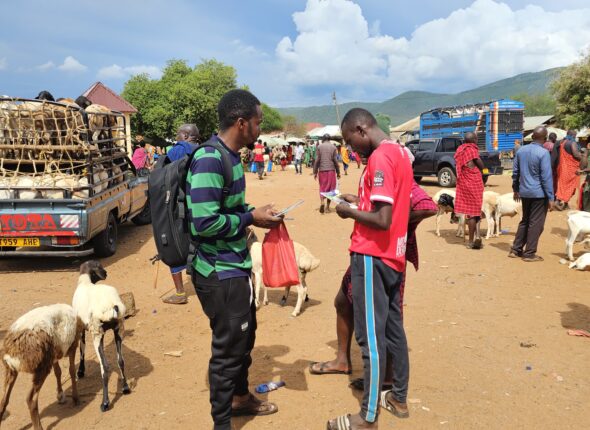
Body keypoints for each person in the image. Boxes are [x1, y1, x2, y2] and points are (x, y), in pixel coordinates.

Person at [187, 89, 282, 429]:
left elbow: (229, 208)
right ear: (242, 123)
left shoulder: (231, 157)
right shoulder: (210, 159)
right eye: (258, 121)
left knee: (244, 337)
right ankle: (222, 423)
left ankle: (240, 398)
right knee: (228, 350)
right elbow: (203, 222)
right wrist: (249, 218)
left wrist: (254, 212)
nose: (260, 127)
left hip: (235, 265)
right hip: (218, 271)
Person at [327, 108, 413, 430]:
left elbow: (382, 219)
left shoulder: (379, 158)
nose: (351, 149)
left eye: (350, 141)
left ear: (361, 129)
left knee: (370, 338)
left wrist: (348, 211)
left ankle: (368, 417)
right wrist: (361, 199)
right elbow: (390, 203)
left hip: (372, 255)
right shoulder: (400, 152)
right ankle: (398, 397)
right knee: (393, 329)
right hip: (393, 255)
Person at [309, 179, 437, 387]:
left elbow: (428, 207)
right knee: (343, 302)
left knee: (383, 317)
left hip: (382, 256)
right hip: (367, 252)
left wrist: (395, 221)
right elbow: (381, 207)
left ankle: (386, 378)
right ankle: (342, 360)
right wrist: (358, 201)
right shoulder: (377, 172)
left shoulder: (391, 171)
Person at [161, 124, 200, 305]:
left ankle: (179, 293)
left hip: (179, 206)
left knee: (172, 244)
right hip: (200, 205)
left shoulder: (178, 149)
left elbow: (163, 175)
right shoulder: (204, 150)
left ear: (185, 135)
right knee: (199, 243)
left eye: (178, 135)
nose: (177, 138)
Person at [509, 126, 555, 262]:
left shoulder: (521, 151)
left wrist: (516, 189)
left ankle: (516, 249)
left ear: (533, 137)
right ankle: (529, 253)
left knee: (525, 220)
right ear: (545, 139)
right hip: (539, 194)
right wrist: (551, 197)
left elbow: (515, 173)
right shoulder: (544, 153)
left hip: (524, 192)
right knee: (536, 224)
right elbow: (546, 177)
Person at [454, 132, 485, 249]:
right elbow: (481, 166)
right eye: (476, 139)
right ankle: (473, 240)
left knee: (472, 212)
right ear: (474, 140)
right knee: (474, 212)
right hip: (474, 184)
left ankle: (476, 238)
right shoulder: (472, 150)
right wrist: (485, 171)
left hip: (464, 184)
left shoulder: (460, 150)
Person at [556, 130, 583, 210]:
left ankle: (562, 202)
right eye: (575, 135)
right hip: (571, 169)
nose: (575, 137)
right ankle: (561, 202)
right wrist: (583, 157)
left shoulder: (563, 142)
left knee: (563, 185)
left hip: (564, 167)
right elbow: (576, 154)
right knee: (571, 186)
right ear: (572, 135)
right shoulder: (572, 143)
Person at [313, 134, 341, 214]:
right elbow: (335, 161)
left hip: (322, 170)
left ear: (323, 139)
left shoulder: (319, 147)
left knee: (322, 187)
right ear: (329, 139)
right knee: (331, 189)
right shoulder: (333, 147)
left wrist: (315, 172)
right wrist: (338, 172)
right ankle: (328, 207)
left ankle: (322, 202)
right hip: (331, 170)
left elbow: (317, 160)